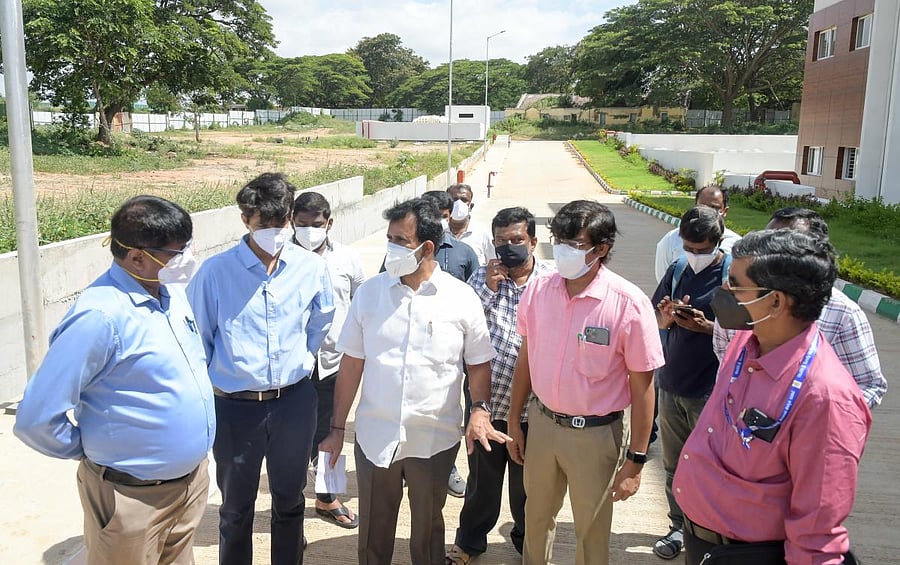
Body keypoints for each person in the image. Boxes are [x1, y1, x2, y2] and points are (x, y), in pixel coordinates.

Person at [14, 195, 215, 565]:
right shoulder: (99, 317)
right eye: (177, 253)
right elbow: (35, 418)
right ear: (137, 257)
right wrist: (92, 452)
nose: (187, 259)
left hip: (189, 486)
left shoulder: (171, 293)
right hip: (131, 498)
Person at [319, 197, 510, 565]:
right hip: (376, 437)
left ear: (427, 248)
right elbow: (352, 363)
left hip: (434, 438)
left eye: (400, 240)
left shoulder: (461, 298)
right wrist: (337, 428)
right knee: (374, 531)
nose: (391, 247)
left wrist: (479, 410)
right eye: (389, 238)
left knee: (427, 529)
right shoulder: (371, 294)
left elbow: (478, 362)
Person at [674, 229, 871, 565]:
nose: (724, 291)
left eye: (735, 284)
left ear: (776, 301)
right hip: (704, 544)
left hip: (749, 555)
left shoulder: (825, 398)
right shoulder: (745, 342)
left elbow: (817, 532)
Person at [187, 173, 335, 565]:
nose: (274, 231)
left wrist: (302, 360)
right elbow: (198, 338)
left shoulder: (310, 268)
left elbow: (321, 319)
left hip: (293, 403)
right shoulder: (215, 273)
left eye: (280, 221)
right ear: (245, 219)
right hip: (235, 408)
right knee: (236, 509)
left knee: (290, 501)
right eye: (263, 222)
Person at [507, 200, 664, 565]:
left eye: (574, 244)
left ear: (602, 248)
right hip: (543, 425)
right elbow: (526, 357)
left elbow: (643, 388)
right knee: (535, 519)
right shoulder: (539, 290)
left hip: (595, 436)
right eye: (559, 241)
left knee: (590, 533)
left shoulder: (628, 304)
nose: (563, 251)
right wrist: (515, 420)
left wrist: (636, 460)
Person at [447, 207, 554, 564]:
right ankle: (469, 542)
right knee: (482, 482)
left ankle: (528, 544)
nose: (509, 247)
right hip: (487, 402)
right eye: (501, 241)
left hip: (535, 407)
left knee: (530, 485)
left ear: (533, 242)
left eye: (517, 240)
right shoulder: (481, 279)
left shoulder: (551, 282)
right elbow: (464, 328)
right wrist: (489, 289)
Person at [713, 207, 887, 409]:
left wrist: (811, 410)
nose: (770, 250)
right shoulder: (742, 301)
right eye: (769, 238)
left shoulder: (844, 314)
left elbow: (869, 385)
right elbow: (723, 354)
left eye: (786, 244)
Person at [650, 206, 729, 560]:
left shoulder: (731, 276)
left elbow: (746, 334)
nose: (695, 255)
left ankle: (710, 533)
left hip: (712, 390)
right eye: (688, 248)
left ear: (718, 241)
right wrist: (667, 317)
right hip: (671, 384)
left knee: (710, 467)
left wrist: (707, 327)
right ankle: (678, 526)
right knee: (674, 466)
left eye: (702, 249)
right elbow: (656, 320)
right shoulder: (678, 269)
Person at [293, 191, 364, 529]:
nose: (309, 230)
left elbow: (360, 305)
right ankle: (289, 506)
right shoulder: (280, 258)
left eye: (316, 224)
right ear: (292, 222)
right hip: (293, 365)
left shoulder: (347, 260)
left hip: (335, 362)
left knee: (331, 431)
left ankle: (326, 497)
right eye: (302, 224)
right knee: (293, 437)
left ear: (329, 223)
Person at [654, 185, 740, 282]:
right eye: (689, 249)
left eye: (714, 208)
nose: (707, 213)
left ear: (724, 211)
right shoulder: (671, 239)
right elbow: (663, 279)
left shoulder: (737, 244)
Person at [447, 183, 496, 265]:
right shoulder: (439, 232)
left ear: (471, 206)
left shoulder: (483, 233)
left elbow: (493, 262)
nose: (458, 204)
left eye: (464, 200)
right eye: (454, 200)